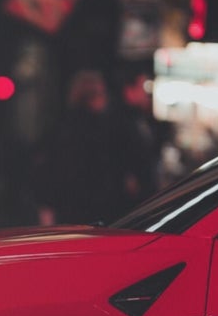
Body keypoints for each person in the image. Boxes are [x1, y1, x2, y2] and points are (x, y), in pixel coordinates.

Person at [34, 70, 146, 226]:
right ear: (92, 96)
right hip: (96, 208)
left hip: (71, 209)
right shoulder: (102, 128)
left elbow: (49, 171)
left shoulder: (63, 126)